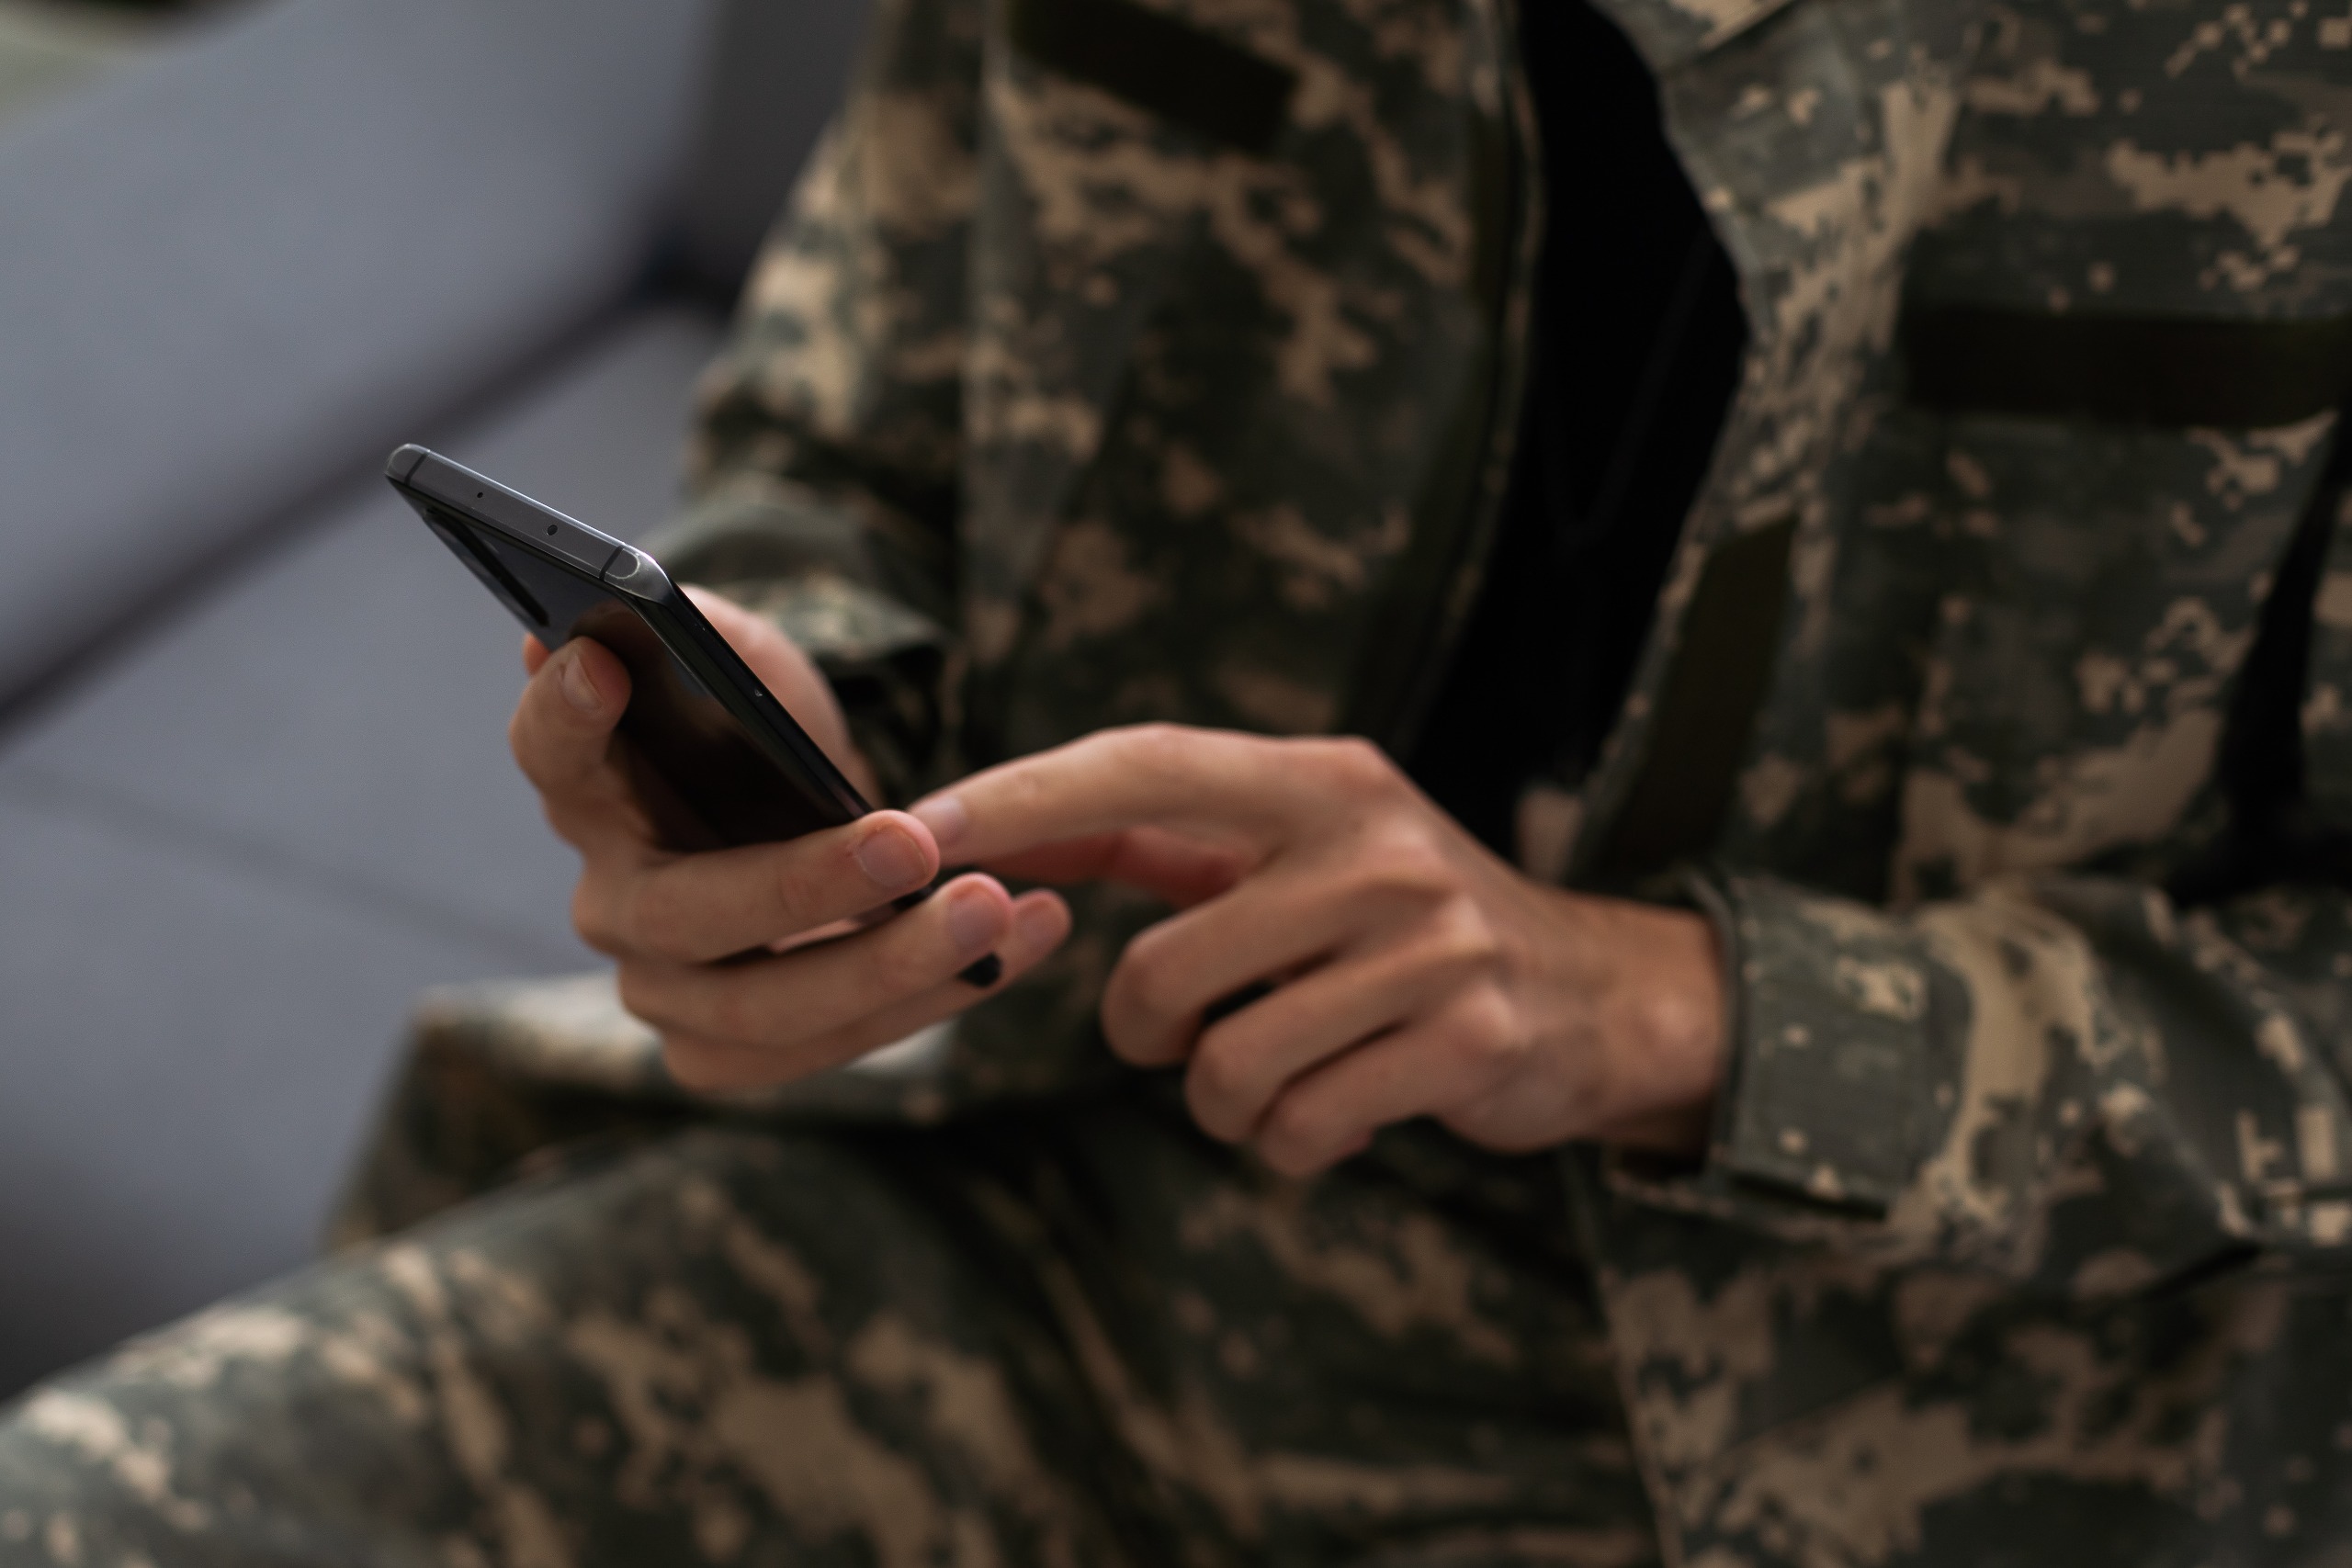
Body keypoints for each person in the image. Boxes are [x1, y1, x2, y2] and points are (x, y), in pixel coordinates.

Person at [6, 0, 2352, 1562]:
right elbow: (850, 419)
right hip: (1030, 1203)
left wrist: (1664, 1010)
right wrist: (786, 732)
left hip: (1935, 1434)